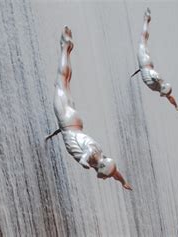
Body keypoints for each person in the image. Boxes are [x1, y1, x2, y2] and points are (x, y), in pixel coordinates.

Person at [46, 26, 132, 190]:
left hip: (74, 123)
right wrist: (83, 162)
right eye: (105, 176)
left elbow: (115, 172)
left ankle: (68, 49)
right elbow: (87, 154)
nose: (105, 178)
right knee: (61, 81)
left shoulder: (100, 155)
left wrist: (123, 181)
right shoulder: (93, 154)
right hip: (67, 121)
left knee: (65, 83)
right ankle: (65, 47)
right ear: (100, 168)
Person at [130, 8, 178, 112]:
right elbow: (170, 97)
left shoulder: (160, 84)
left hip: (147, 64)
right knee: (143, 40)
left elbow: (170, 97)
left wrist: (176, 105)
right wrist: (175, 106)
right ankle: (146, 20)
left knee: (144, 40)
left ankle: (146, 20)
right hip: (144, 64)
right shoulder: (158, 87)